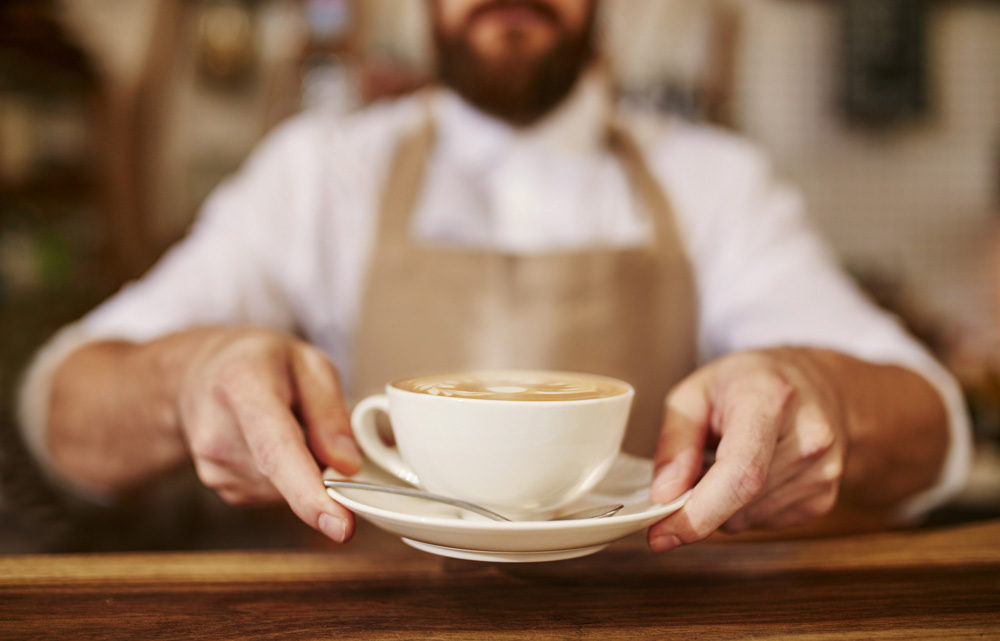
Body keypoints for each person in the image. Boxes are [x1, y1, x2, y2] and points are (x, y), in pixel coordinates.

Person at [18, 0, 970, 552]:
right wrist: (188, 378)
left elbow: (933, 427)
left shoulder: (715, 180)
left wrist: (823, 398)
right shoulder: (317, 172)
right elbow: (59, 404)